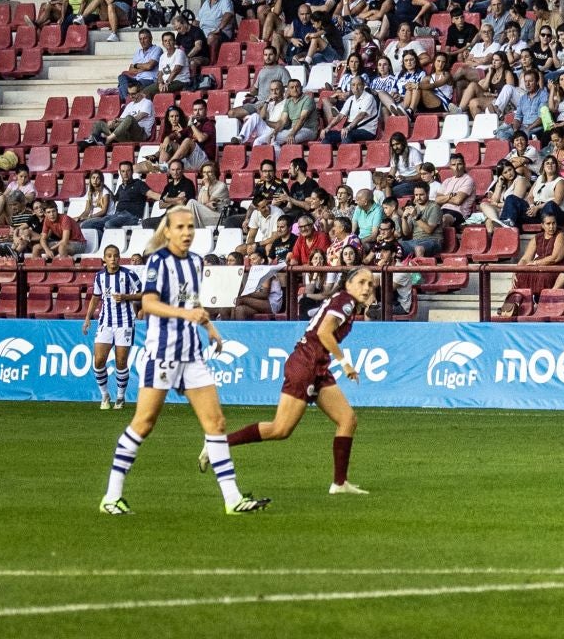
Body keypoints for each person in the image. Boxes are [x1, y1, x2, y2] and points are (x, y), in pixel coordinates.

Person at [98, 207, 269, 515]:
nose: (188, 232)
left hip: (191, 354)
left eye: (191, 226)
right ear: (168, 231)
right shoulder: (158, 262)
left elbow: (190, 302)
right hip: (162, 353)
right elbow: (149, 303)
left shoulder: (194, 262)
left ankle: (233, 499)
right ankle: (111, 495)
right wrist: (185, 314)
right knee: (143, 423)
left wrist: (211, 329)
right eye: (181, 227)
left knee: (216, 422)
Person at [221, 265, 374, 496]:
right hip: (307, 365)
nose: (367, 287)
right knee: (280, 429)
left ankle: (340, 483)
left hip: (316, 364)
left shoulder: (344, 301)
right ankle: (219, 444)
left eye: (370, 284)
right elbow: (324, 333)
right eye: (362, 282)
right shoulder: (346, 302)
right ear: (348, 284)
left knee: (348, 419)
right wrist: (344, 362)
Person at [80, 243, 139, 409]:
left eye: (116, 256)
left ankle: (120, 397)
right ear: (104, 259)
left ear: (119, 258)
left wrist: (126, 296)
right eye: (110, 256)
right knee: (98, 361)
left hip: (125, 323)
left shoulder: (128, 275)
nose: (113, 259)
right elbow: (95, 298)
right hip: (105, 322)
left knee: (121, 361)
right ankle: (105, 395)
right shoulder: (99, 276)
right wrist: (87, 319)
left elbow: (145, 293)